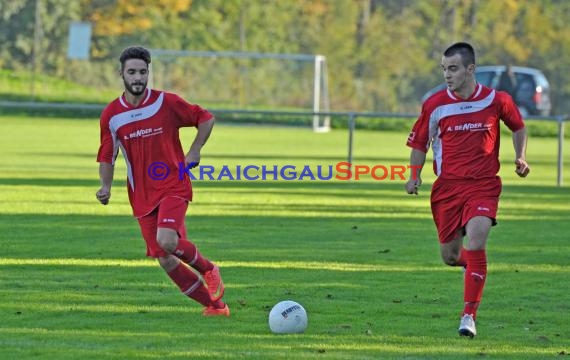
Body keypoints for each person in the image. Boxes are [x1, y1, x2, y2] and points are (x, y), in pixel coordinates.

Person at [405, 42, 529, 337]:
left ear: (470, 69)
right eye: (444, 69)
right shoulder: (434, 105)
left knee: (476, 239)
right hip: (447, 189)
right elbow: (419, 143)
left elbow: (519, 127)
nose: (447, 75)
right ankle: (472, 266)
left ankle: (468, 316)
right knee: (450, 256)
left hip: (484, 185)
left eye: (454, 68)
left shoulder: (497, 100)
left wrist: (520, 156)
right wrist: (414, 176)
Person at [96, 46, 229, 317]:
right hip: (142, 195)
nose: (138, 78)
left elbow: (205, 118)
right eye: (132, 72)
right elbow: (107, 154)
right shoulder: (112, 115)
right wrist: (105, 186)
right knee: (166, 259)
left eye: (143, 72)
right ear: (121, 74)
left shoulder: (165, 103)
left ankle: (209, 268)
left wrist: (194, 150)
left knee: (167, 241)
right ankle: (216, 307)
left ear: (148, 73)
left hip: (173, 184)